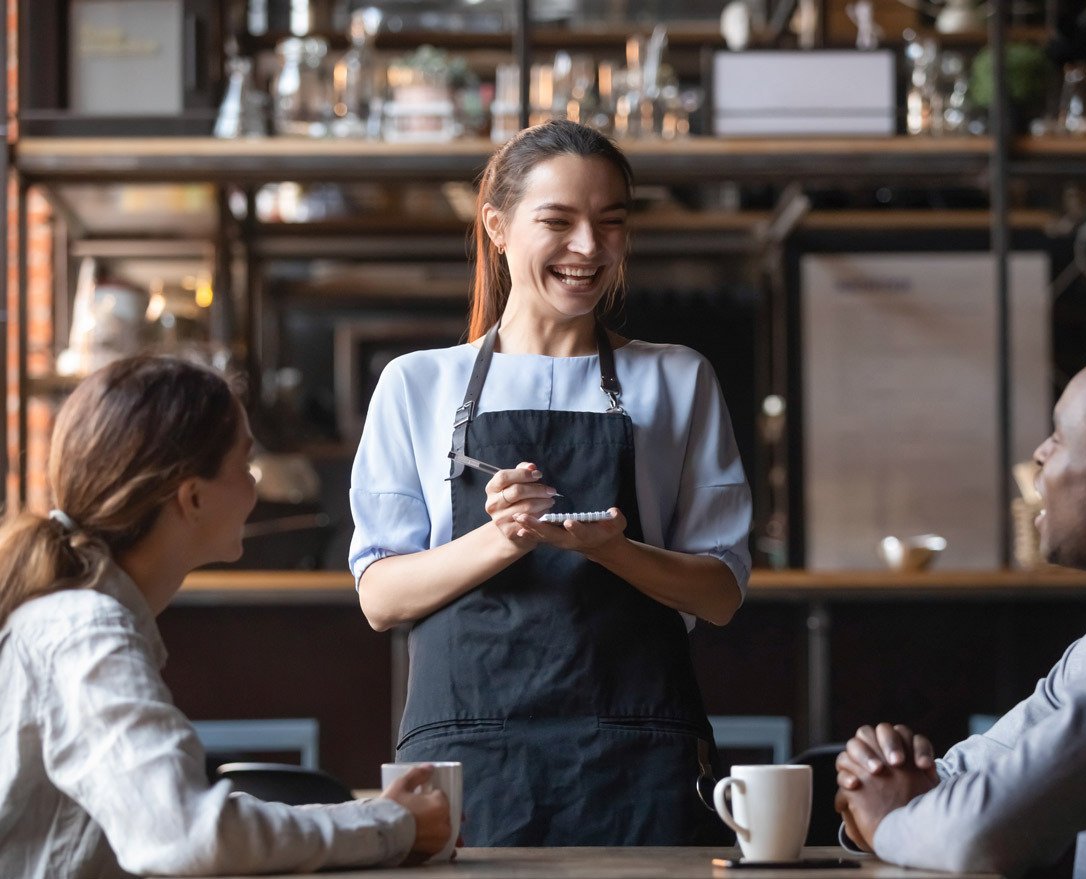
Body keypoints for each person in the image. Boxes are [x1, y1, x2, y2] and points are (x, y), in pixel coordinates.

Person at [349, 119, 752, 846]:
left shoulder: (678, 377)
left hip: (641, 752)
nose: (589, 249)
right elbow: (381, 597)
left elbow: (721, 592)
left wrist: (612, 549)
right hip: (468, 755)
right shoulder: (417, 383)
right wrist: (504, 537)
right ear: (498, 227)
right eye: (559, 222)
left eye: (611, 223)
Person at [0, 356, 452, 878]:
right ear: (191, 498)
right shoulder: (87, 633)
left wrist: (378, 817)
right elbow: (187, 835)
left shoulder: (74, 619)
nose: (256, 486)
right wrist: (389, 828)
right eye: (245, 463)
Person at [832, 343, 1086, 878]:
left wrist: (890, 821)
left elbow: (981, 831)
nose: (1040, 458)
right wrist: (878, 785)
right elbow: (977, 776)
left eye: (1058, 437)